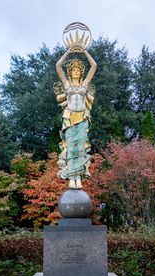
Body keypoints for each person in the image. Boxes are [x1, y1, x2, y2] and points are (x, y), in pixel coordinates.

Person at [55, 48, 97, 189]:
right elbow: (58, 66)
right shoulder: (67, 85)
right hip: (69, 118)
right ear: (70, 72)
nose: (76, 72)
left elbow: (94, 66)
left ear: (81, 73)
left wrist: (84, 52)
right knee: (71, 149)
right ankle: (71, 177)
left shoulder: (84, 84)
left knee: (79, 149)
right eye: (73, 70)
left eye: (78, 70)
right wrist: (68, 52)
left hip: (82, 118)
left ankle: (78, 177)